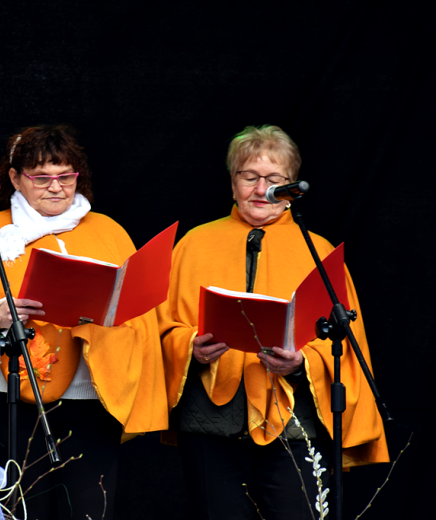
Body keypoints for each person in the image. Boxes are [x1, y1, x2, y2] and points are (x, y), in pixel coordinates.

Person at [157, 125, 388, 519]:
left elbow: (345, 341)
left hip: (295, 419)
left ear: (291, 188)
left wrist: (302, 364)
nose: (260, 188)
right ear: (233, 183)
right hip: (211, 420)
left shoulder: (318, 252)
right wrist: (190, 347)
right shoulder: (193, 244)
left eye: (274, 180)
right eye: (249, 176)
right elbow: (160, 327)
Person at [0, 125, 168, 520]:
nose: (56, 187)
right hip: (7, 402)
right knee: (18, 511)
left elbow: (142, 319)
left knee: (86, 511)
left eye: (66, 176)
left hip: (89, 405)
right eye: (41, 177)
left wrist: (103, 314)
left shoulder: (109, 232)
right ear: (15, 178)